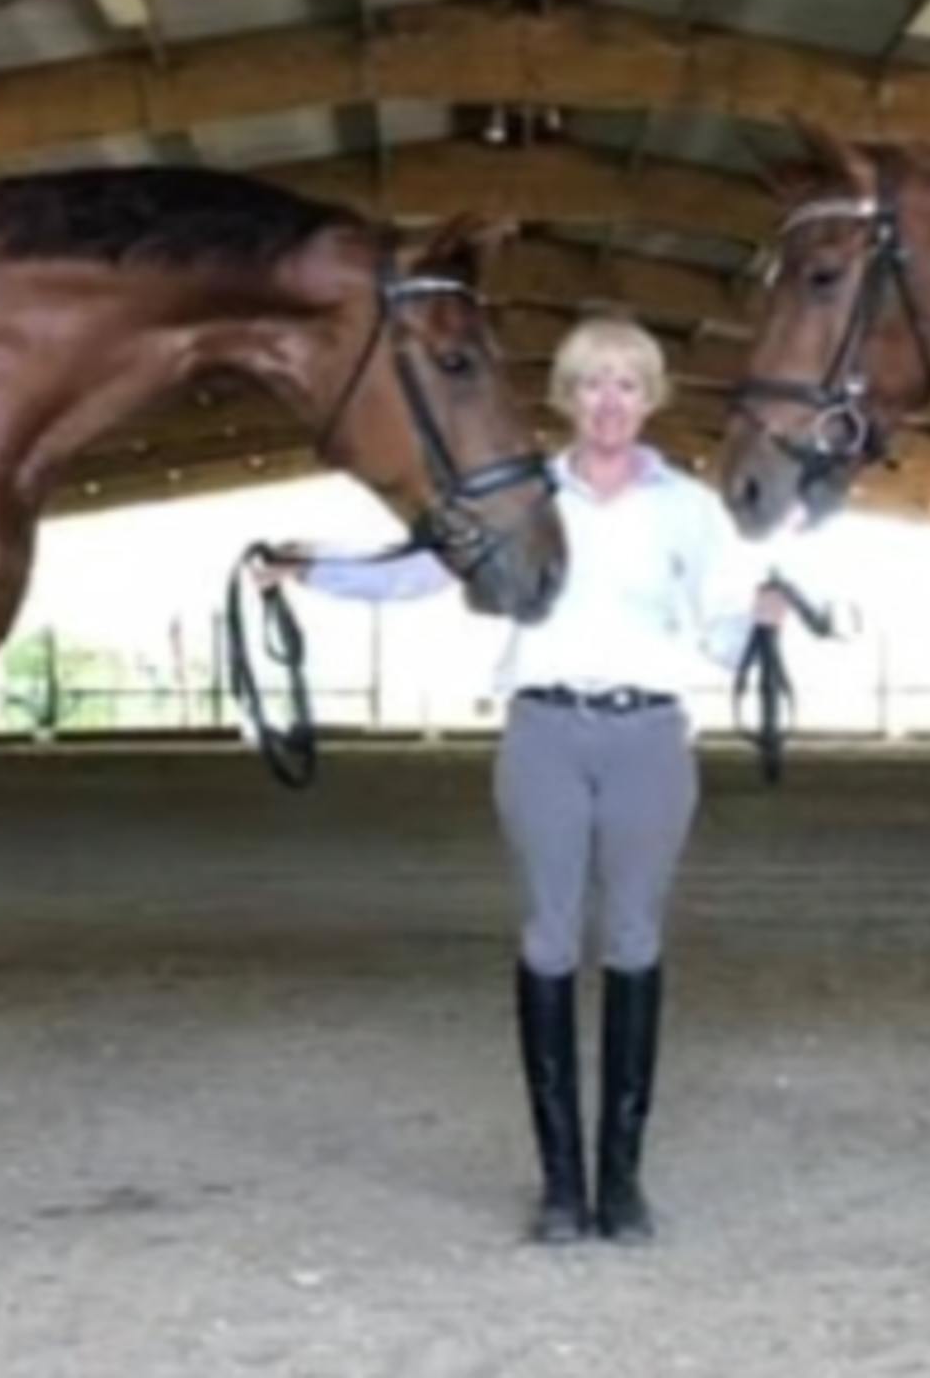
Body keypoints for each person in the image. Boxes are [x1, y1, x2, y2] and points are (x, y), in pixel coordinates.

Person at [259, 312, 788, 1246]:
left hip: (650, 735)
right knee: (548, 937)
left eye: (628, 384)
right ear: (568, 398)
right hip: (543, 730)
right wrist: (311, 568)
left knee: (633, 937)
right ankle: (560, 1186)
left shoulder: (688, 510)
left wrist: (764, 622)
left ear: (650, 398)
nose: (610, 401)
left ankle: (621, 1182)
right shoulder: (524, 492)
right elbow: (420, 572)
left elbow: (715, 629)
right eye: (592, 383)